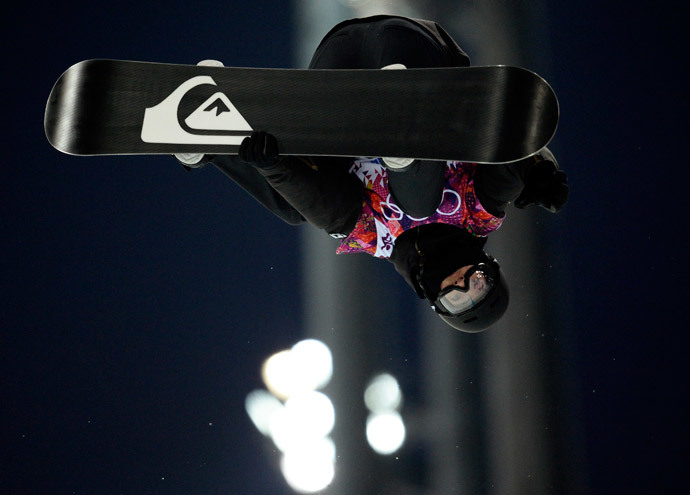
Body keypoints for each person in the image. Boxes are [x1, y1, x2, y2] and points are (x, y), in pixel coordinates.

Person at [175, 16, 569, 332]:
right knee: (420, 202)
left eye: (455, 297)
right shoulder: (478, 211)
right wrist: (538, 171)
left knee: (299, 210)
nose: (461, 282)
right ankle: (405, 143)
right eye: (478, 284)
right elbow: (511, 151)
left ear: (433, 296)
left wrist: (273, 165)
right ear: (488, 269)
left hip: (337, 66)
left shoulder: (372, 234)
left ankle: (216, 132)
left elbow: (319, 200)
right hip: (413, 52)